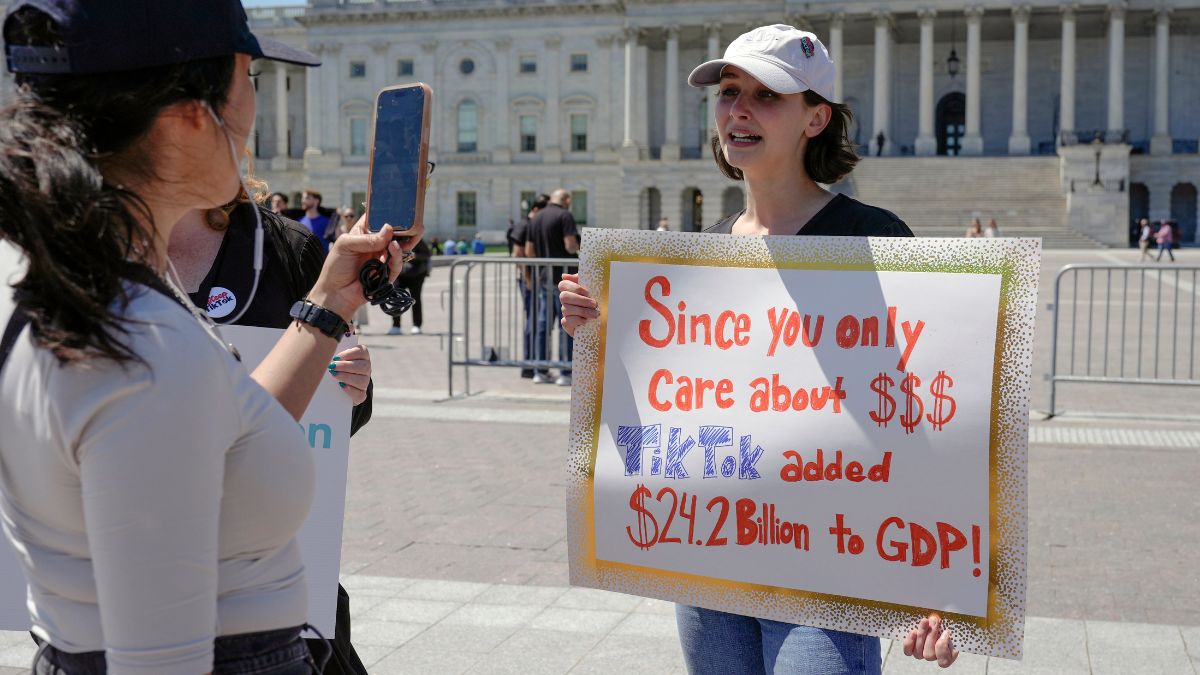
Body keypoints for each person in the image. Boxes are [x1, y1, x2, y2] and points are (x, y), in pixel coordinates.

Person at [0, 2, 411, 673]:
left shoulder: (60, 273)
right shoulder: (143, 345)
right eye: (249, 78)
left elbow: (207, 450)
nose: (258, 110)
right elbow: (160, 660)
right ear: (193, 115)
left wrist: (328, 305)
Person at [557, 25, 957, 674]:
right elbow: (674, 412)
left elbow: (925, 412)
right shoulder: (702, 248)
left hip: (831, 569)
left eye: (767, 95)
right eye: (728, 91)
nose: (738, 109)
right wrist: (600, 336)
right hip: (712, 559)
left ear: (815, 118)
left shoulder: (874, 236)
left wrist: (936, 579)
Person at [170, 191, 374, 675]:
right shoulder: (85, 246)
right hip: (130, 595)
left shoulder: (285, 246)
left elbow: (339, 414)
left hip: (276, 571)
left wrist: (352, 386)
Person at [527, 188, 579, 386]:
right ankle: (565, 372)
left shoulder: (536, 218)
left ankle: (540, 370)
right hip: (563, 277)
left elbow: (530, 251)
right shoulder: (565, 216)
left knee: (543, 325)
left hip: (543, 276)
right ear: (565, 199)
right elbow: (570, 245)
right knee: (566, 324)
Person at [512, 195, 548, 379]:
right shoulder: (525, 225)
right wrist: (527, 278)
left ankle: (533, 364)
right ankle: (528, 364)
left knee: (535, 322)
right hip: (530, 280)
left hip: (535, 279)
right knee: (533, 322)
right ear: (535, 209)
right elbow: (518, 254)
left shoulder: (533, 224)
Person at [390, 237, 431, 335]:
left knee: (415, 299)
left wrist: (411, 256)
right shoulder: (393, 239)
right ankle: (396, 325)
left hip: (416, 275)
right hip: (399, 275)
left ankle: (417, 325)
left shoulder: (416, 239)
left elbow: (426, 254)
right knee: (396, 299)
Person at [299, 188, 337, 253]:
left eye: (307, 198)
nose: (303, 201)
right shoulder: (298, 221)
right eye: (302, 198)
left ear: (316, 201)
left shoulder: (327, 222)